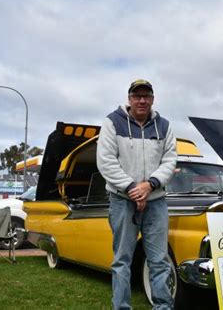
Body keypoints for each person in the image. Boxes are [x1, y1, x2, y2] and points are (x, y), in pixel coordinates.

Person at [97, 79, 177, 309]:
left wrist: (150, 185)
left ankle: (163, 306)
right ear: (129, 98)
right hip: (122, 201)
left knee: (160, 260)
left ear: (153, 98)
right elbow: (106, 161)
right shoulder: (112, 122)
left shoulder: (165, 126)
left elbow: (170, 161)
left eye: (147, 96)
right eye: (137, 95)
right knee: (122, 261)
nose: (142, 100)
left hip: (156, 201)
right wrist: (133, 188)